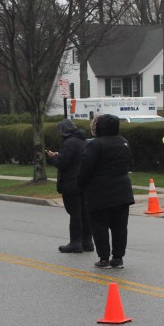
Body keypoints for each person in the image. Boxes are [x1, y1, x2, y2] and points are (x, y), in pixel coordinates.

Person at [77, 114, 134, 269]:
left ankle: (104, 258)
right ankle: (118, 257)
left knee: (99, 225)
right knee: (120, 226)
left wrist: (80, 183)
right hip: (122, 190)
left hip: (100, 191)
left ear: (99, 127)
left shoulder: (96, 144)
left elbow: (86, 167)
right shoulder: (124, 142)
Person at [46, 119, 93, 253]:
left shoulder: (70, 142)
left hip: (71, 183)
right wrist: (59, 155)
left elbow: (63, 163)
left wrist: (53, 157)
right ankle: (87, 242)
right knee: (84, 213)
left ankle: (75, 242)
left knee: (75, 214)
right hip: (83, 182)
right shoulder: (83, 141)